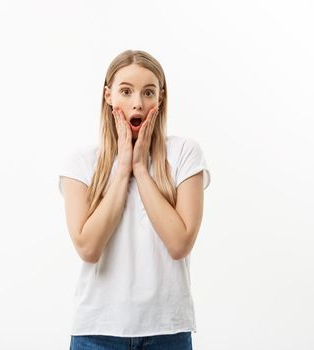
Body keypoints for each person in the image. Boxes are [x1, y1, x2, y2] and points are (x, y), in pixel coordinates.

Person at [58, 49, 211, 350]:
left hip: (168, 331)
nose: (137, 103)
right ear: (108, 96)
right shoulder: (81, 163)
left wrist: (141, 169)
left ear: (161, 98)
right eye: (126, 91)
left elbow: (179, 244)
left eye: (148, 92)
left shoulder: (185, 154)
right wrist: (122, 167)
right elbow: (88, 248)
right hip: (97, 333)